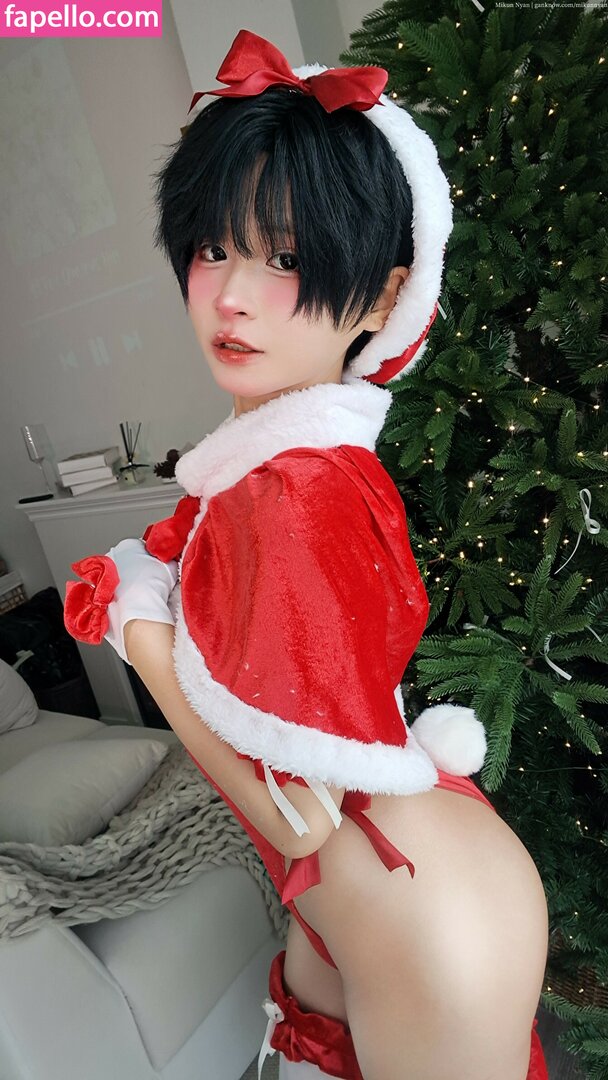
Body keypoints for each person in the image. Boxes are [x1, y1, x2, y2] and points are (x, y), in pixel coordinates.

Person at [64, 29, 550, 1080]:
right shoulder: (274, 466)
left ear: (378, 299)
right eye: (213, 249)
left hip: (414, 903)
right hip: (375, 876)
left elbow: (294, 816)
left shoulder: (295, 490)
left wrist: (139, 630)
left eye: (285, 259)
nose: (231, 296)